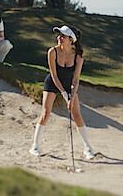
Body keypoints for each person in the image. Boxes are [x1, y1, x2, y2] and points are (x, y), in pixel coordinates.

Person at [29, 25, 95, 160]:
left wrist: (71, 95)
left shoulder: (78, 56)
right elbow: (54, 75)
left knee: (76, 115)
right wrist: (64, 95)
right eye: (59, 35)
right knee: (46, 114)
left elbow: (76, 79)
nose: (59, 38)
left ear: (71, 39)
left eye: (62, 36)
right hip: (53, 83)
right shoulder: (52, 52)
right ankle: (34, 146)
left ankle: (87, 148)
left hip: (69, 84)